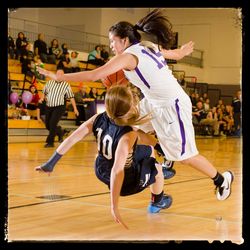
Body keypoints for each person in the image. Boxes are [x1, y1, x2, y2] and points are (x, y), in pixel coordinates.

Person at [38, 8, 233, 201]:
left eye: (112, 40)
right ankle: (163, 157)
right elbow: (173, 55)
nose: (111, 45)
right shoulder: (147, 45)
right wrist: (181, 52)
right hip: (153, 102)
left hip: (172, 105)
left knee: (186, 156)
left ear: (124, 39)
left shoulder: (128, 56)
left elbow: (94, 75)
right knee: (128, 126)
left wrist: (59, 77)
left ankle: (220, 179)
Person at [35, 85, 173, 228]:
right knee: (157, 168)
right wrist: (114, 206)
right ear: (130, 107)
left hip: (102, 169)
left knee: (147, 147)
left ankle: (158, 160)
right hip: (127, 182)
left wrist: (50, 163)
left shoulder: (98, 118)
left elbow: (71, 139)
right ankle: (157, 201)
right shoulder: (129, 135)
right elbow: (117, 171)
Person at [39, 69, 79, 147]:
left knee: (52, 124)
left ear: (63, 76)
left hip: (59, 107)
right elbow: (44, 92)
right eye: (58, 74)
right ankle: (60, 132)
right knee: (48, 125)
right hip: (49, 106)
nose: (59, 75)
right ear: (55, 74)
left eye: (61, 74)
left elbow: (71, 97)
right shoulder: (49, 82)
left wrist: (75, 108)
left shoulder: (66, 85)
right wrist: (42, 98)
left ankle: (50, 142)